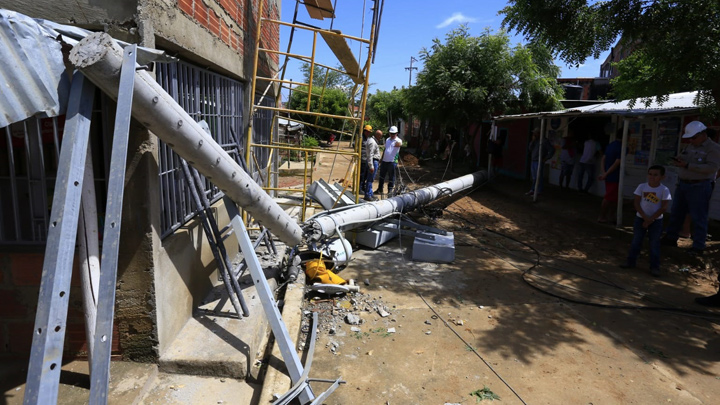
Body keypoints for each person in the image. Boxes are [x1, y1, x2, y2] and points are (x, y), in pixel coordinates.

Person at [662, 121, 720, 256]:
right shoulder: (690, 146)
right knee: (677, 212)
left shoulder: (713, 148)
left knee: (698, 216)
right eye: (690, 138)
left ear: (703, 134)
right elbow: (683, 157)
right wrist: (678, 161)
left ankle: (698, 246)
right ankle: (671, 237)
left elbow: (712, 168)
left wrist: (687, 165)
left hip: (700, 185)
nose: (692, 140)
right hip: (683, 184)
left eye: (694, 137)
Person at [620, 165, 671, 277]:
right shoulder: (642, 187)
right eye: (650, 174)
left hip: (656, 221)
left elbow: (663, 208)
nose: (652, 177)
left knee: (654, 243)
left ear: (662, 177)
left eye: (655, 175)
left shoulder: (664, 190)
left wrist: (650, 219)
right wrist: (645, 217)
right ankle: (630, 261)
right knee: (636, 240)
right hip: (640, 218)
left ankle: (654, 267)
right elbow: (637, 203)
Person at [597, 131, 624, 222]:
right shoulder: (622, 147)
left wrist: (604, 172)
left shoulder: (610, 145)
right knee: (609, 197)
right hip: (614, 175)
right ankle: (602, 216)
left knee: (613, 197)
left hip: (608, 175)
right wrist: (606, 173)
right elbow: (616, 163)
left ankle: (611, 216)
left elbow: (603, 159)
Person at [525, 128, 554, 196]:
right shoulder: (535, 141)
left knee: (539, 177)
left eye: (535, 133)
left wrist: (546, 158)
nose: (534, 134)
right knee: (534, 177)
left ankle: (539, 190)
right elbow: (530, 149)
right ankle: (533, 189)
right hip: (533, 160)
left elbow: (552, 150)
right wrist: (532, 141)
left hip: (539, 161)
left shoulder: (544, 141)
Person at [375, 126, 402, 195]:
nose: (392, 135)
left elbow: (400, 144)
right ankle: (380, 189)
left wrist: (398, 144)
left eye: (394, 134)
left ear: (396, 133)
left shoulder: (398, 140)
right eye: (391, 133)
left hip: (392, 161)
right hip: (384, 161)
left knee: (391, 177)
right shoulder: (387, 140)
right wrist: (381, 158)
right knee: (381, 176)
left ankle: (390, 190)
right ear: (389, 133)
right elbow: (385, 149)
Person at [364, 129, 382, 201]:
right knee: (370, 179)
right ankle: (368, 195)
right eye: (380, 136)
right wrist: (371, 166)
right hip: (373, 161)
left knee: (371, 179)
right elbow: (370, 155)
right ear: (377, 135)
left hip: (374, 161)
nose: (380, 138)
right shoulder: (372, 142)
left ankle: (370, 194)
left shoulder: (371, 141)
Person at [359, 124, 372, 194]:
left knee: (366, 175)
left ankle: (363, 187)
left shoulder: (368, 139)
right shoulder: (361, 138)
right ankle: (360, 188)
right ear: (364, 131)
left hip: (366, 159)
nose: (368, 133)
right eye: (367, 131)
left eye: (369, 132)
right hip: (362, 159)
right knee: (361, 174)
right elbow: (355, 144)